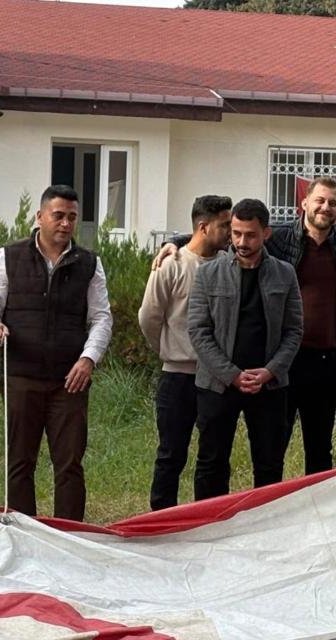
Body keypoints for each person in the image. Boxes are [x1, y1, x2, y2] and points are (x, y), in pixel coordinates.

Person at [155, 178, 336, 474]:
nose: (325, 207)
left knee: (319, 449)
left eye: (332, 202)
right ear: (304, 203)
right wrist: (173, 242)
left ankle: (312, 514)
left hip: (324, 361)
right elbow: (233, 236)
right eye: (319, 200)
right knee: (273, 447)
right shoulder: (277, 237)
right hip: (282, 362)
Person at [0, 185, 113, 521]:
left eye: (71, 217)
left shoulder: (89, 264)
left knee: (69, 463)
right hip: (21, 375)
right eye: (58, 216)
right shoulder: (8, 256)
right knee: (20, 461)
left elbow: (101, 317)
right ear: (39, 217)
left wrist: (88, 358)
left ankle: (68, 534)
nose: (65, 223)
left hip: (69, 380)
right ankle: (23, 533)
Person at [186, 199, 302, 499]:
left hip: (270, 385)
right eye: (235, 233)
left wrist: (270, 372)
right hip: (217, 384)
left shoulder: (285, 273)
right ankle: (209, 527)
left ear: (266, 233)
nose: (241, 241)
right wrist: (232, 375)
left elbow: (293, 331)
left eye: (249, 235)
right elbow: (199, 331)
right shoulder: (208, 273)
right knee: (211, 463)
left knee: (269, 465)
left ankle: (262, 528)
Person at [138, 194, 232, 510]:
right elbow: (149, 317)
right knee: (170, 454)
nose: (232, 232)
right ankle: (160, 519)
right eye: (225, 225)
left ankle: (210, 517)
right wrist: (169, 349)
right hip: (177, 378)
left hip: (216, 379)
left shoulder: (228, 265)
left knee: (214, 455)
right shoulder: (171, 265)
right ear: (204, 227)